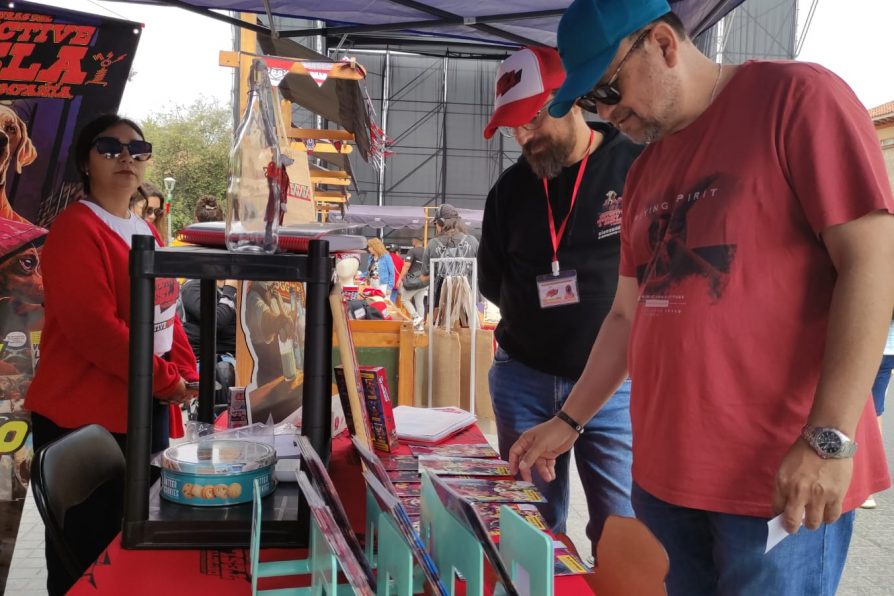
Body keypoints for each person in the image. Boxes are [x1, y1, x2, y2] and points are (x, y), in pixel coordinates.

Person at [509, 1, 894, 593]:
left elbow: (872, 262)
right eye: (590, 102)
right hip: (664, 483)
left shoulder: (796, 99)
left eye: (608, 90)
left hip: (774, 481)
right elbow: (625, 316)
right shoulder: (645, 171)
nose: (606, 113)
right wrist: (569, 419)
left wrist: (829, 438)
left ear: (663, 44)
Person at [24, 114, 197, 595]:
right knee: (88, 558)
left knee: (133, 543)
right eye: (110, 147)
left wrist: (186, 372)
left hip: (145, 404)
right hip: (84, 418)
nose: (126, 158)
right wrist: (165, 379)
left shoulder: (145, 230)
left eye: (138, 150)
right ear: (86, 161)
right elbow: (95, 330)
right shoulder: (75, 228)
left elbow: (167, 313)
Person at [478, 45, 642, 551]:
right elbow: (491, 281)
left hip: (615, 385)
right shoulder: (509, 191)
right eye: (512, 127)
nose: (523, 137)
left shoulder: (636, 168)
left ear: (568, 99)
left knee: (621, 524)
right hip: (524, 378)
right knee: (531, 526)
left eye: (531, 119)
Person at [421, 203, 479, 311]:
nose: (435, 226)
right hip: (468, 305)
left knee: (436, 321)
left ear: (440, 222)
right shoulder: (472, 241)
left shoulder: (432, 244)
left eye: (435, 223)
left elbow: (423, 278)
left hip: (440, 306)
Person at [864, 319, 894, 508]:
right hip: (889, 349)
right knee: (875, 411)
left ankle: (864, 486)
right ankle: (868, 488)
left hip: (868, 344)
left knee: (859, 410)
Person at [399, 236, 428, 325]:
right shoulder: (427, 251)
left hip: (413, 281)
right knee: (419, 303)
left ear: (415, 241)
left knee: (404, 299)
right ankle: (420, 325)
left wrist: (400, 278)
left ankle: (416, 317)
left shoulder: (412, 251)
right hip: (424, 281)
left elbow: (406, 266)